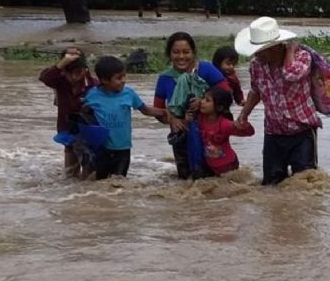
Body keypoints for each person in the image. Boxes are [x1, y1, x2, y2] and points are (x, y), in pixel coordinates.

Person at [235, 17, 322, 185]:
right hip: (273, 132)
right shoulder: (256, 65)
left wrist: (289, 52)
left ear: (275, 47)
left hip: (302, 131)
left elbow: (291, 74)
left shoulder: (302, 57)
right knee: (271, 183)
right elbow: (255, 90)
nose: (256, 54)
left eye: (260, 50)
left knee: (305, 182)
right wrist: (243, 114)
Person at [152, 31, 230, 179]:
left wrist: (203, 101)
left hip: (211, 134)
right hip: (181, 135)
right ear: (169, 54)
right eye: (176, 52)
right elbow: (158, 110)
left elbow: (226, 94)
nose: (181, 57)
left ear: (193, 53)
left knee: (216, 177)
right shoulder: (165, 78)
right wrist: (172, 119)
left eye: (186, 52)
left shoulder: (206, 70)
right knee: (186, 178)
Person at [84, 56, 166, 180]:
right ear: (104, 80)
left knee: (119, 183)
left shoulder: (129, 94)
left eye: (124, 76)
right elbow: (83, 116)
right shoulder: (92, 96)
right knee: (100, 182)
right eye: (118, 78)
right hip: (102, 149)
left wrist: (165, 113)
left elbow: (145, 110)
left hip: (123, 149)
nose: (124, 80)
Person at [39, 47, 98, 178]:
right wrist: (63, 62)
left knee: (89, 175)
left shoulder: (94, 85)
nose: (73, 77)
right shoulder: (59, 82)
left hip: (88, 132)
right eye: (68, 72)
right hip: (67, 129)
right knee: (70, 174)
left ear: (86, 69)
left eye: (78, 72)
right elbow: (45, 78)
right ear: (63, 71)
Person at [195, 87, 254, 175]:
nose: (202, 102)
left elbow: (250, 132)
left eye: (207, 100)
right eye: (203, 98)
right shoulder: (199, 119)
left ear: (219, 107)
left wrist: (242, 123)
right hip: (209, 165)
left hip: (228, 165)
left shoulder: (224, 124)